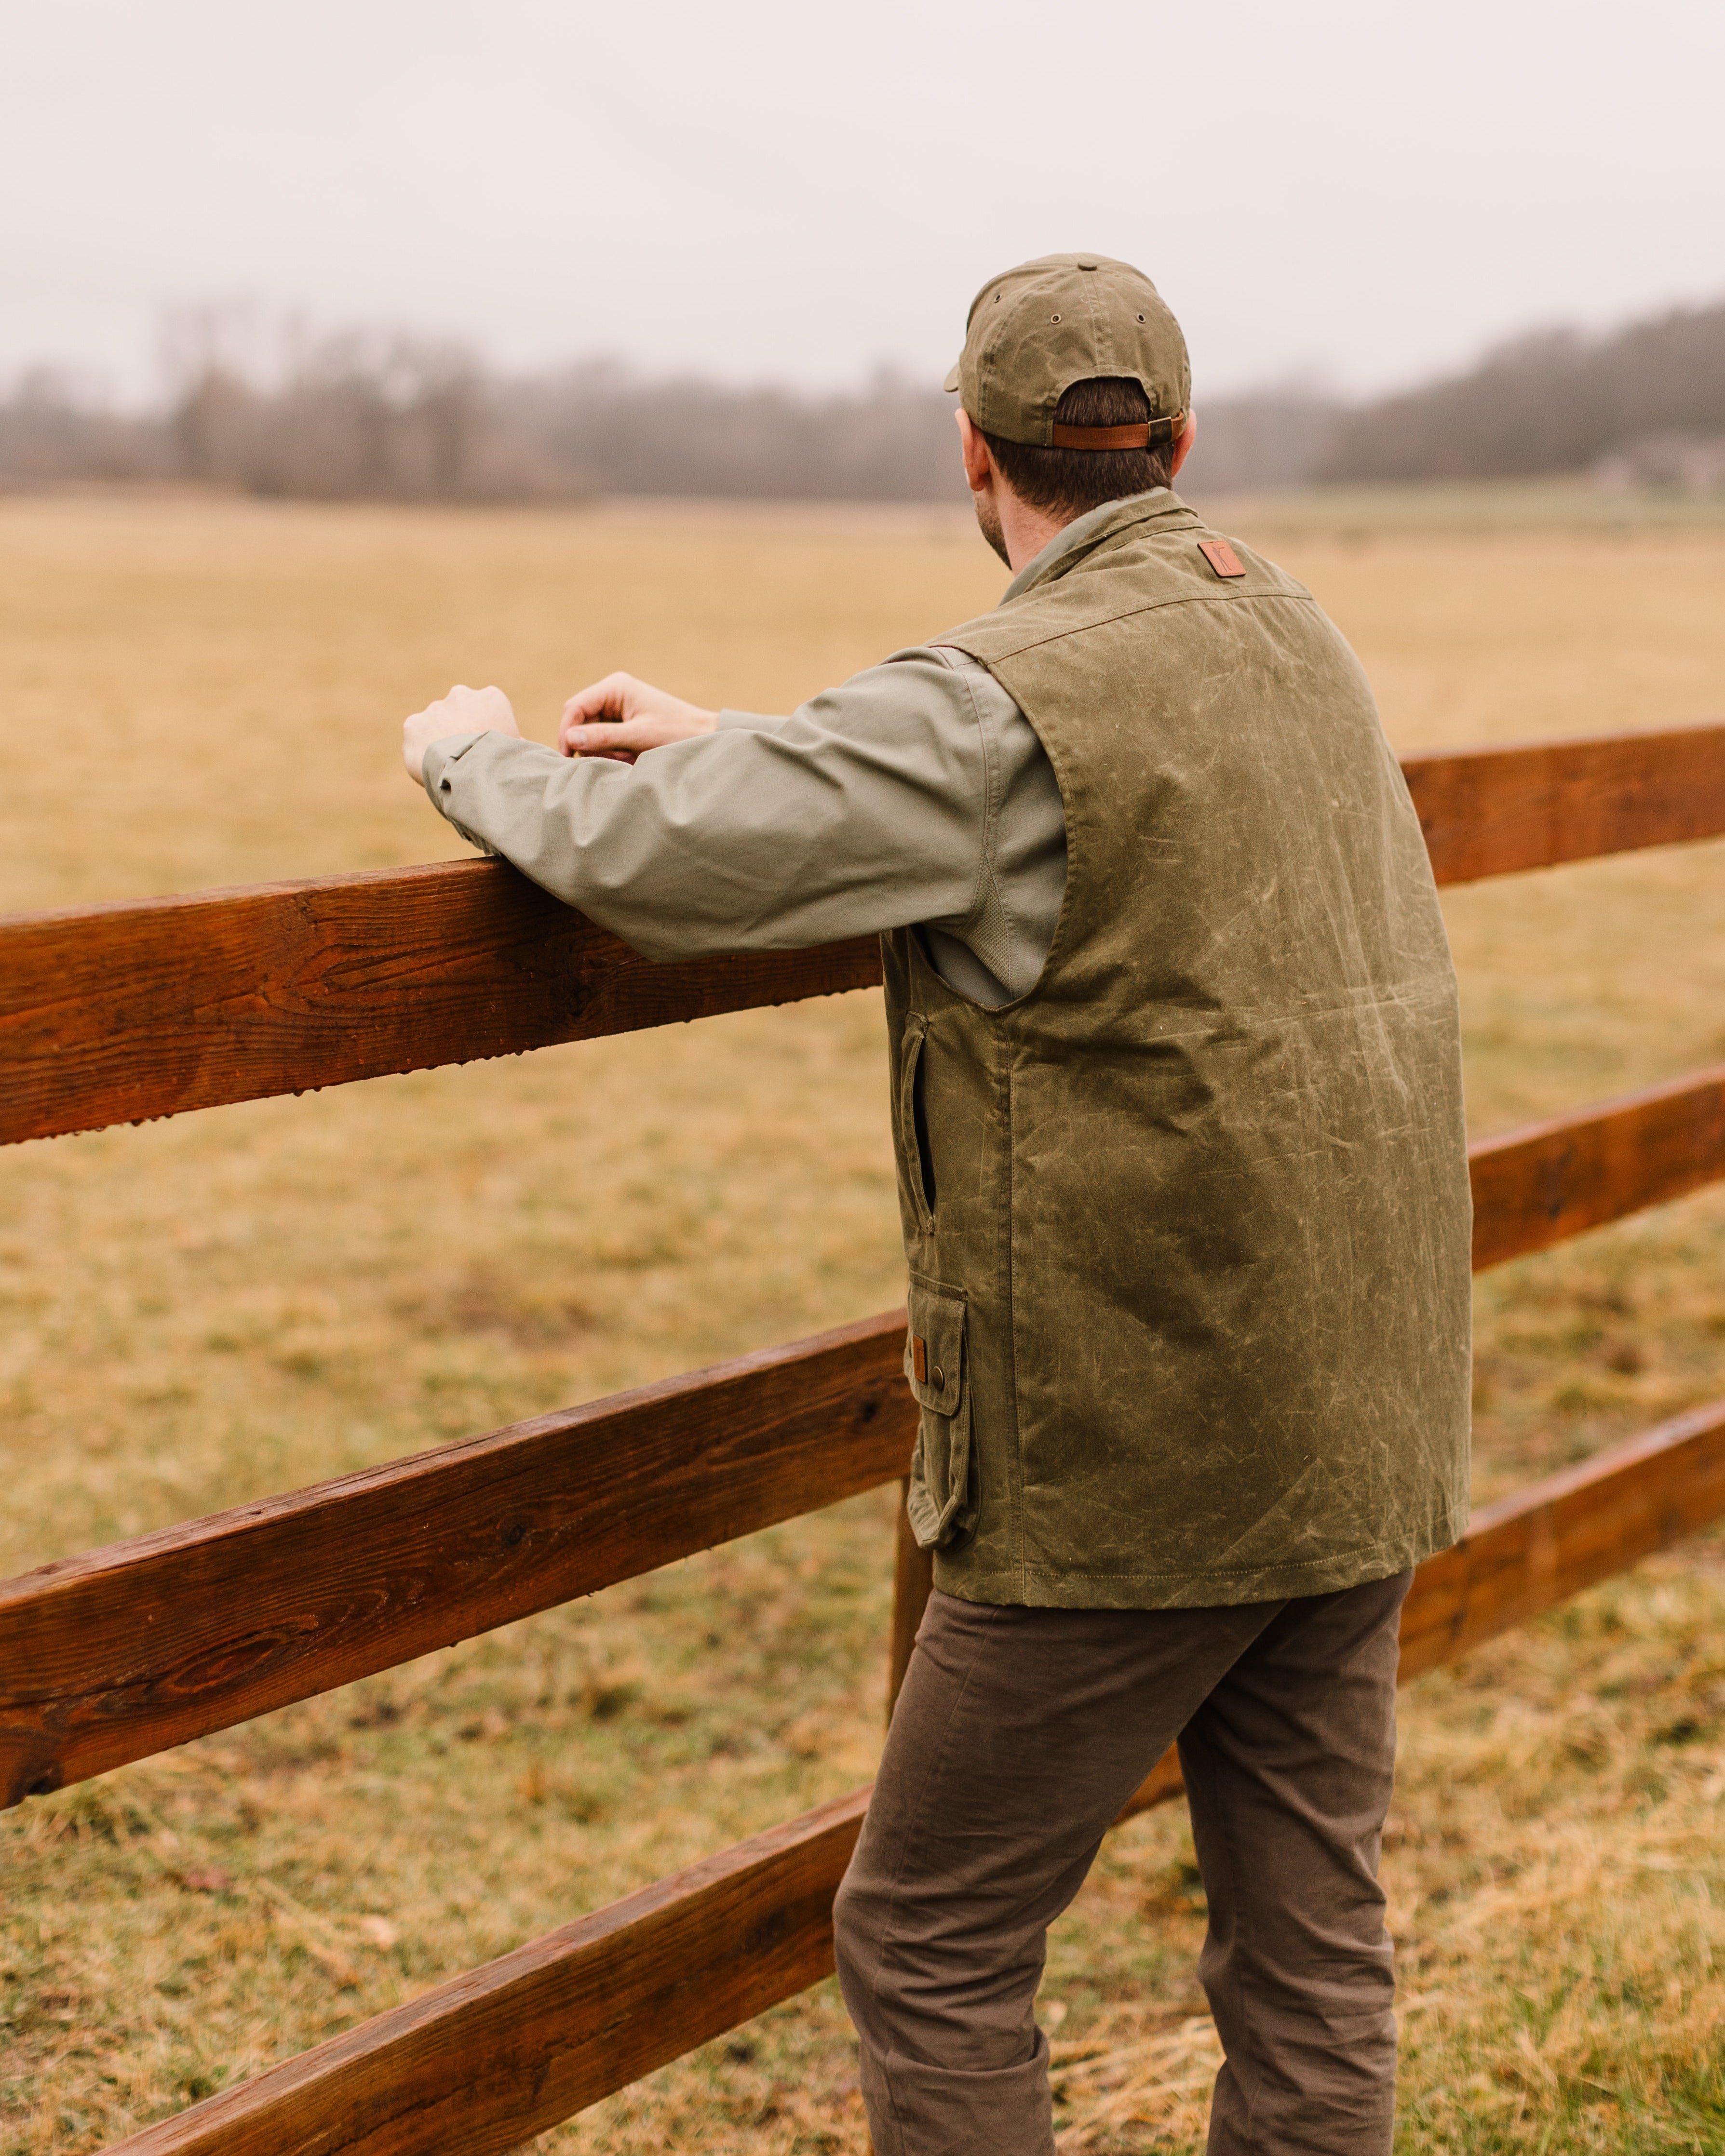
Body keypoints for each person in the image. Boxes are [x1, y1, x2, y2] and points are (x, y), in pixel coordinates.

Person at [401, 253, 1472, 2156]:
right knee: (1311, 1947)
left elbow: (670, 855)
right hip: (1361, 1418)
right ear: (1180, 444)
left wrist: (465, 749)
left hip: (1138, 1457)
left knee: (931, 1942)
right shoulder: (1288, 625)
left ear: (967, 456)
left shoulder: (997, 702)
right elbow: (1032, 785)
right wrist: (752, 739)